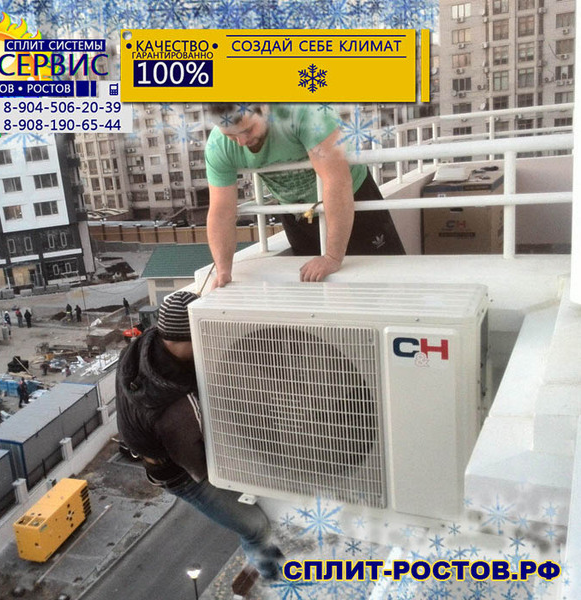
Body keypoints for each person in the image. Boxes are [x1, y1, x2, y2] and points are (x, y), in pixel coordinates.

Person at [116, 291, 283, 581]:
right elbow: (203, 470)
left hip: (170, 444)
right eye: (202, 336)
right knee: (256, 527)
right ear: (187, 338)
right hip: (182, 474)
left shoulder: (144, 345)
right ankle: (274, 577)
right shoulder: (175, 412)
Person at [205, 103, 405, 286]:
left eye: (248, 130)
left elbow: (337, 182)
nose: (241, 142)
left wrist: (332, 257)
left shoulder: (306, 113)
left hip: (353, 198)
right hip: (297, 212)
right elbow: (221, 212)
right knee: (314, 286)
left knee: (388, 278)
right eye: (231, 136)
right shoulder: (218, 145)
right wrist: (223, 271)